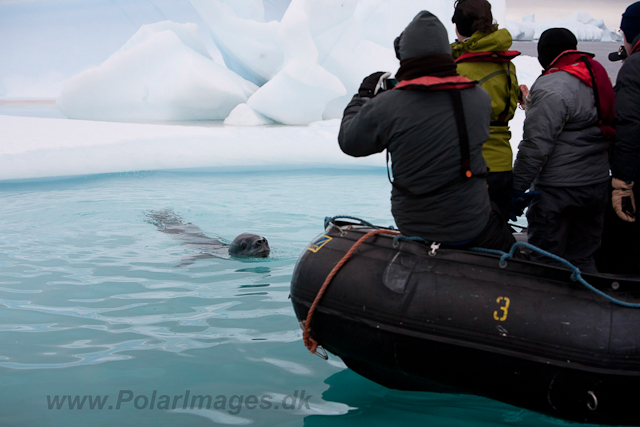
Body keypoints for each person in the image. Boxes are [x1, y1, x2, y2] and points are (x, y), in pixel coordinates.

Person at [338, 11, 515, 252]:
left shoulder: (389, 104)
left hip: (414, 224)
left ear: (406, 55)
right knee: (511, 247)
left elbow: (350, 142)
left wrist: (363, 97)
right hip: (471, 222)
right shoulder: (479, 99)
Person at [511, 28, 615, 273]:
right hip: (595, 185)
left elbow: (536, 146)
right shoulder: (595, 77)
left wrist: (515, 188)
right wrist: (531, 106)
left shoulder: (551, 86)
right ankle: (591, 306)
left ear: (544, 55)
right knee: (583, 258)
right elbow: (580, 123)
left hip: (558, 192)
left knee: (546, 262)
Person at [451, 0, 521, 221]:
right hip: (502, 163)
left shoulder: (460, 70)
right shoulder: (507, 64)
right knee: (497, 233)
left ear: (459, 27)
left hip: (472, 167)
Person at [597, 2, 640, 273]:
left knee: (620, 240)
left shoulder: (634, 67)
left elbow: (630, 126)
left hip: (636, 174)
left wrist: (623, 183)